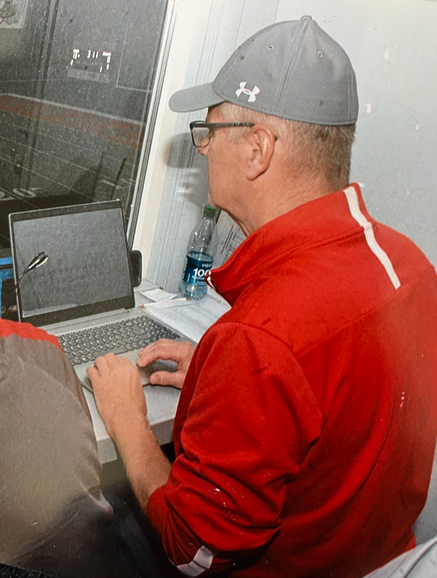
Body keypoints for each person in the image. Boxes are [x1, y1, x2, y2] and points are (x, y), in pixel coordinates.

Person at [87, 16, 437, 578]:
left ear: (258, 149)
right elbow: (336, 391)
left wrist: (128, 421)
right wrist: (217, 375)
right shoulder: (411, 267)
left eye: (210, 131)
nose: (202, 150)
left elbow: (194, 552)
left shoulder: (262, 339)